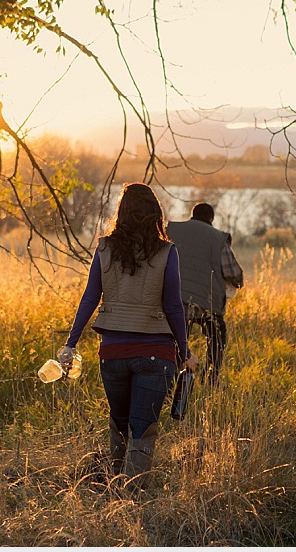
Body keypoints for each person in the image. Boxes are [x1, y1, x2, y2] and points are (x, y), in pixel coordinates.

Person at [60, 183, 198, 492]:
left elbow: (89, 298)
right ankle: (129, 497)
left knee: (119, 426)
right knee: (143, 430)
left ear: (121, 213)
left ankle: (114, 493)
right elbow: (173, 306)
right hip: (155, 355)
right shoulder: (167, 252)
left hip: (112, 353)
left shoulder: (105, 248)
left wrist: (71, 342)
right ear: (155, 215)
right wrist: (185, 350)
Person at [166, 202, 244, 386]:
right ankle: (210, 380)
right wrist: (238, 283)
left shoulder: (172, 231)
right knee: (217, 337)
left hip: (175, 302)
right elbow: (234, 273)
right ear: (211, 219)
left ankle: (172, 382)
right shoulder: (218, 238)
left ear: (192, 215)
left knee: (174, 340)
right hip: (207, 304)